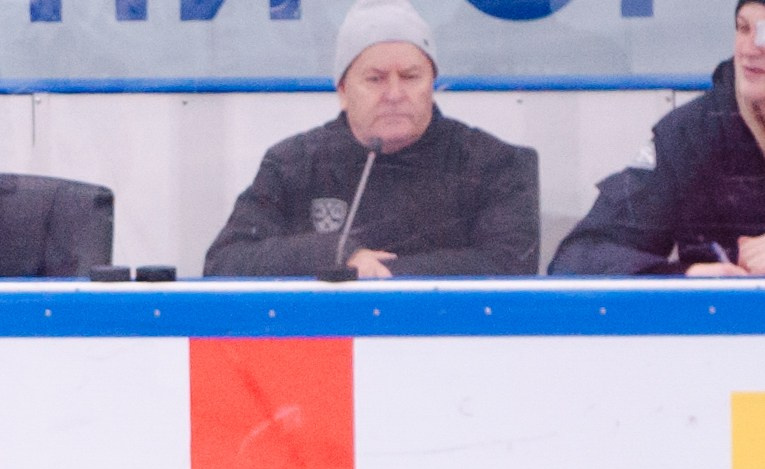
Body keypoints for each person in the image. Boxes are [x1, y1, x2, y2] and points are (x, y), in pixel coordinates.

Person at [203, 0, 538, 280]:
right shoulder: (294, 163)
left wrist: (376, 274)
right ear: (343, 91)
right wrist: (336, 253)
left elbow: (510, 266)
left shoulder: (494, 163)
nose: (394, 94)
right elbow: (225, 263)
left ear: (433, 84)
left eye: (410, 77)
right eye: (375, 79)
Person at [550, 3, 765, 277]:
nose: (749, 49)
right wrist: (686, 277)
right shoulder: (692, 134)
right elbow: (581, 258)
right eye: (743, 28)